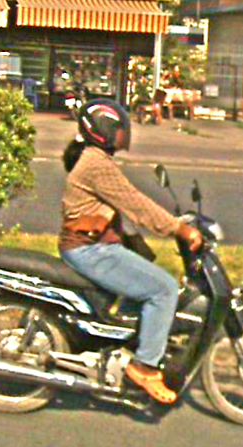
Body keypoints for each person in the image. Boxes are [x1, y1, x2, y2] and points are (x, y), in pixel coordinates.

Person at [59, 99, 203, 405]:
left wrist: (141, 243)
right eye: (120, 129)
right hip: (90, 249)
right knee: (164, 289)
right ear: (104, 130)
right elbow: (136, 203)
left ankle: (127, 345)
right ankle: (145, 367)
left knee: (145, 277)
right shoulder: (96, 164)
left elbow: (119, 207)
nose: (124, 135)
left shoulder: (95, 159)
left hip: (92, 245)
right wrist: (179, 229)